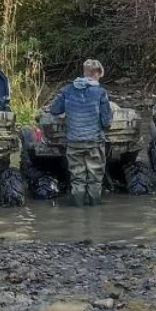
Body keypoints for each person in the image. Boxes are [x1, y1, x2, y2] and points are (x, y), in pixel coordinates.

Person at [49, 59, 113, 207]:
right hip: (94, 143)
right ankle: (94, 212)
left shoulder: (67, 90)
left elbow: (54, 110)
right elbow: (107, 121)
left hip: (74, 142)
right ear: (96, 73)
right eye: (100, 74)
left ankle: (78, 211)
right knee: (95, 178)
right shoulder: (100, 92)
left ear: (84, 72)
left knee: (77, 179)